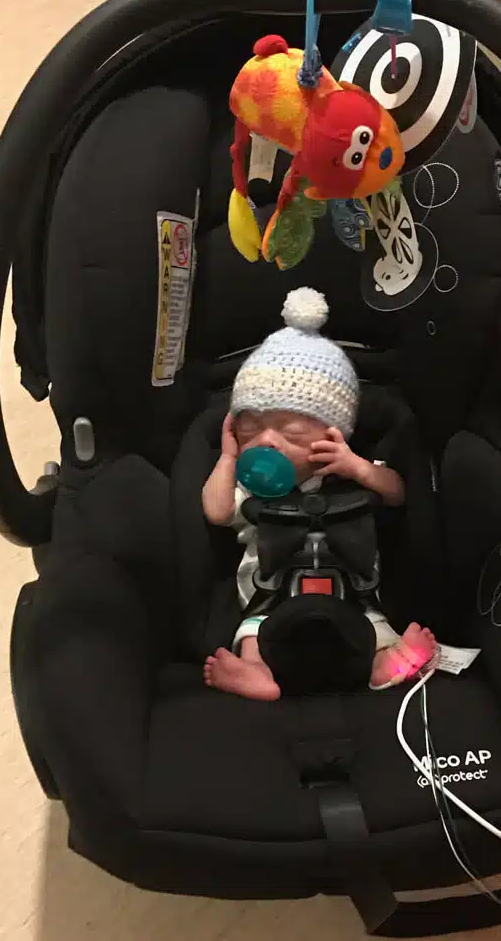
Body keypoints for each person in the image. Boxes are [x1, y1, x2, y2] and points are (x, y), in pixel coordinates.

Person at [201, 286, 436, 701]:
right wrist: (227, 457)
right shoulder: (250, 488)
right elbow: (217, 512)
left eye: (289, 431)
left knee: (376, 627)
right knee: (252, 633)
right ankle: (256, 672)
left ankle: (385, 663)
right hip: (271, 597)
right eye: (251, 428)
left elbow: (399, 493)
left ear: (333, 434)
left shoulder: (352, 475)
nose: (267, 441)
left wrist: (358, 467)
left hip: (353, 595)